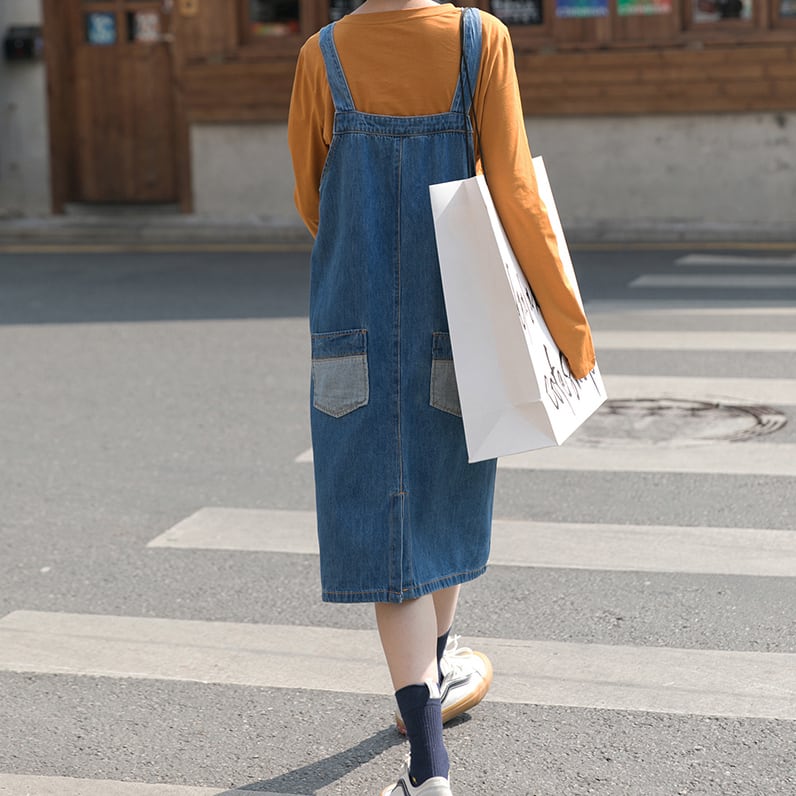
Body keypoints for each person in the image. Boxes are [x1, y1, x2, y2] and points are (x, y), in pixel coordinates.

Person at [288, 1, 595, 793]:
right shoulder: (479, 40)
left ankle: (430, 738)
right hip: (455, 321)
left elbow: (313, 199)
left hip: (353, 324)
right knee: (442, 505)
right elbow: (516, 190)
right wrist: (569, 326)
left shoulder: (322, 55)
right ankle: (429, 749)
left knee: (392, 552)